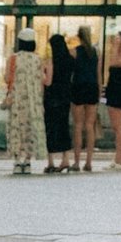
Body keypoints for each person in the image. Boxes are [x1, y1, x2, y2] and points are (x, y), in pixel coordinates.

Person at [3, 26, 48, 175]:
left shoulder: (13, 58)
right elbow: (43, 79)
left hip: (17, 100)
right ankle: (28, 161)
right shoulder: (38, 59)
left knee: (17, 129)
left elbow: (7, 78)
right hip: (34, 101)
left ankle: (17, 161)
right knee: (30, 129)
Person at [70, 25, 100, 172]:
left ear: (78, 36)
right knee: (90, 126)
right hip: (92, 88)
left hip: (78, 87)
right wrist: (99, 92)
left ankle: (76, 161)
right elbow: (98, 73)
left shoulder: (74, 52)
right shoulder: (96, 52)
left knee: (78, 126)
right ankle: (89, 162)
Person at [42, 32, 74, 173]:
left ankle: (50, 162)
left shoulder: (51, 61)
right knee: (63, 126)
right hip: (65, 96)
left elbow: (48, 81)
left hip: (52, 96)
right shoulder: (70, 60)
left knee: (50, 128)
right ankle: (66, 159)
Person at [105, 28, 121, 171]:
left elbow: (113, 63)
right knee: (117, 127)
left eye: (118, 38)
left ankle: (120, 159)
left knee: (119, 128)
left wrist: (116, 47)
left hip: (120, 93)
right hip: (114, 91)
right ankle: (119, 157)